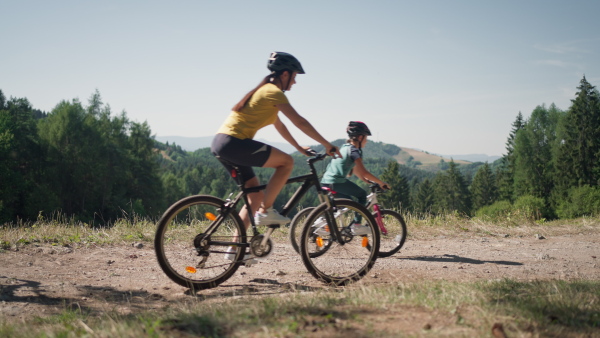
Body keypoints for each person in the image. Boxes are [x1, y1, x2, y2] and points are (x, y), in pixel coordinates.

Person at [211, 51, 341, 233]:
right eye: (294, 76)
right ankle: (265, 212)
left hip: (222, 144)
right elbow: (299, 122)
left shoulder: (263, 93)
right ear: (285, 74)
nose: (295, 82)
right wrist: (327, 144)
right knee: (287, 162)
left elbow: (280, 126)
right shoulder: (273, 92)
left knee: (255, 196)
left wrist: (298, 148)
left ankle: (234, 249)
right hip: (234, 143)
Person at [320, 121, 389, 235]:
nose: (366, 141)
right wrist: (381, 182)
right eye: (366, 138)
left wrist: (365, 180)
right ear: (360, 137)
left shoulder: (345, 147)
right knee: (361, 196)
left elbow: (356, 170)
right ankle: (357, 226)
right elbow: (364, 172)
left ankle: (322, 222)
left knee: (347, 203)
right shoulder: (354, 151)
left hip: (325, 182)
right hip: (337, 182)